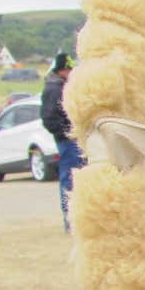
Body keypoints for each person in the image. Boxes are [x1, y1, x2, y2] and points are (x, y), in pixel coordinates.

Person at [41, 51, 83, 232]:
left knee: (80, 179)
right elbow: (48, 119)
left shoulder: (64, 86)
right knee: (69, 180)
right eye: (68, 69)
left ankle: (81, 219)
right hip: (67, 141)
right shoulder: (54, 89)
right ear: (62, 70)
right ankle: (70, 220)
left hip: (75, 139)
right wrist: (67, 133)